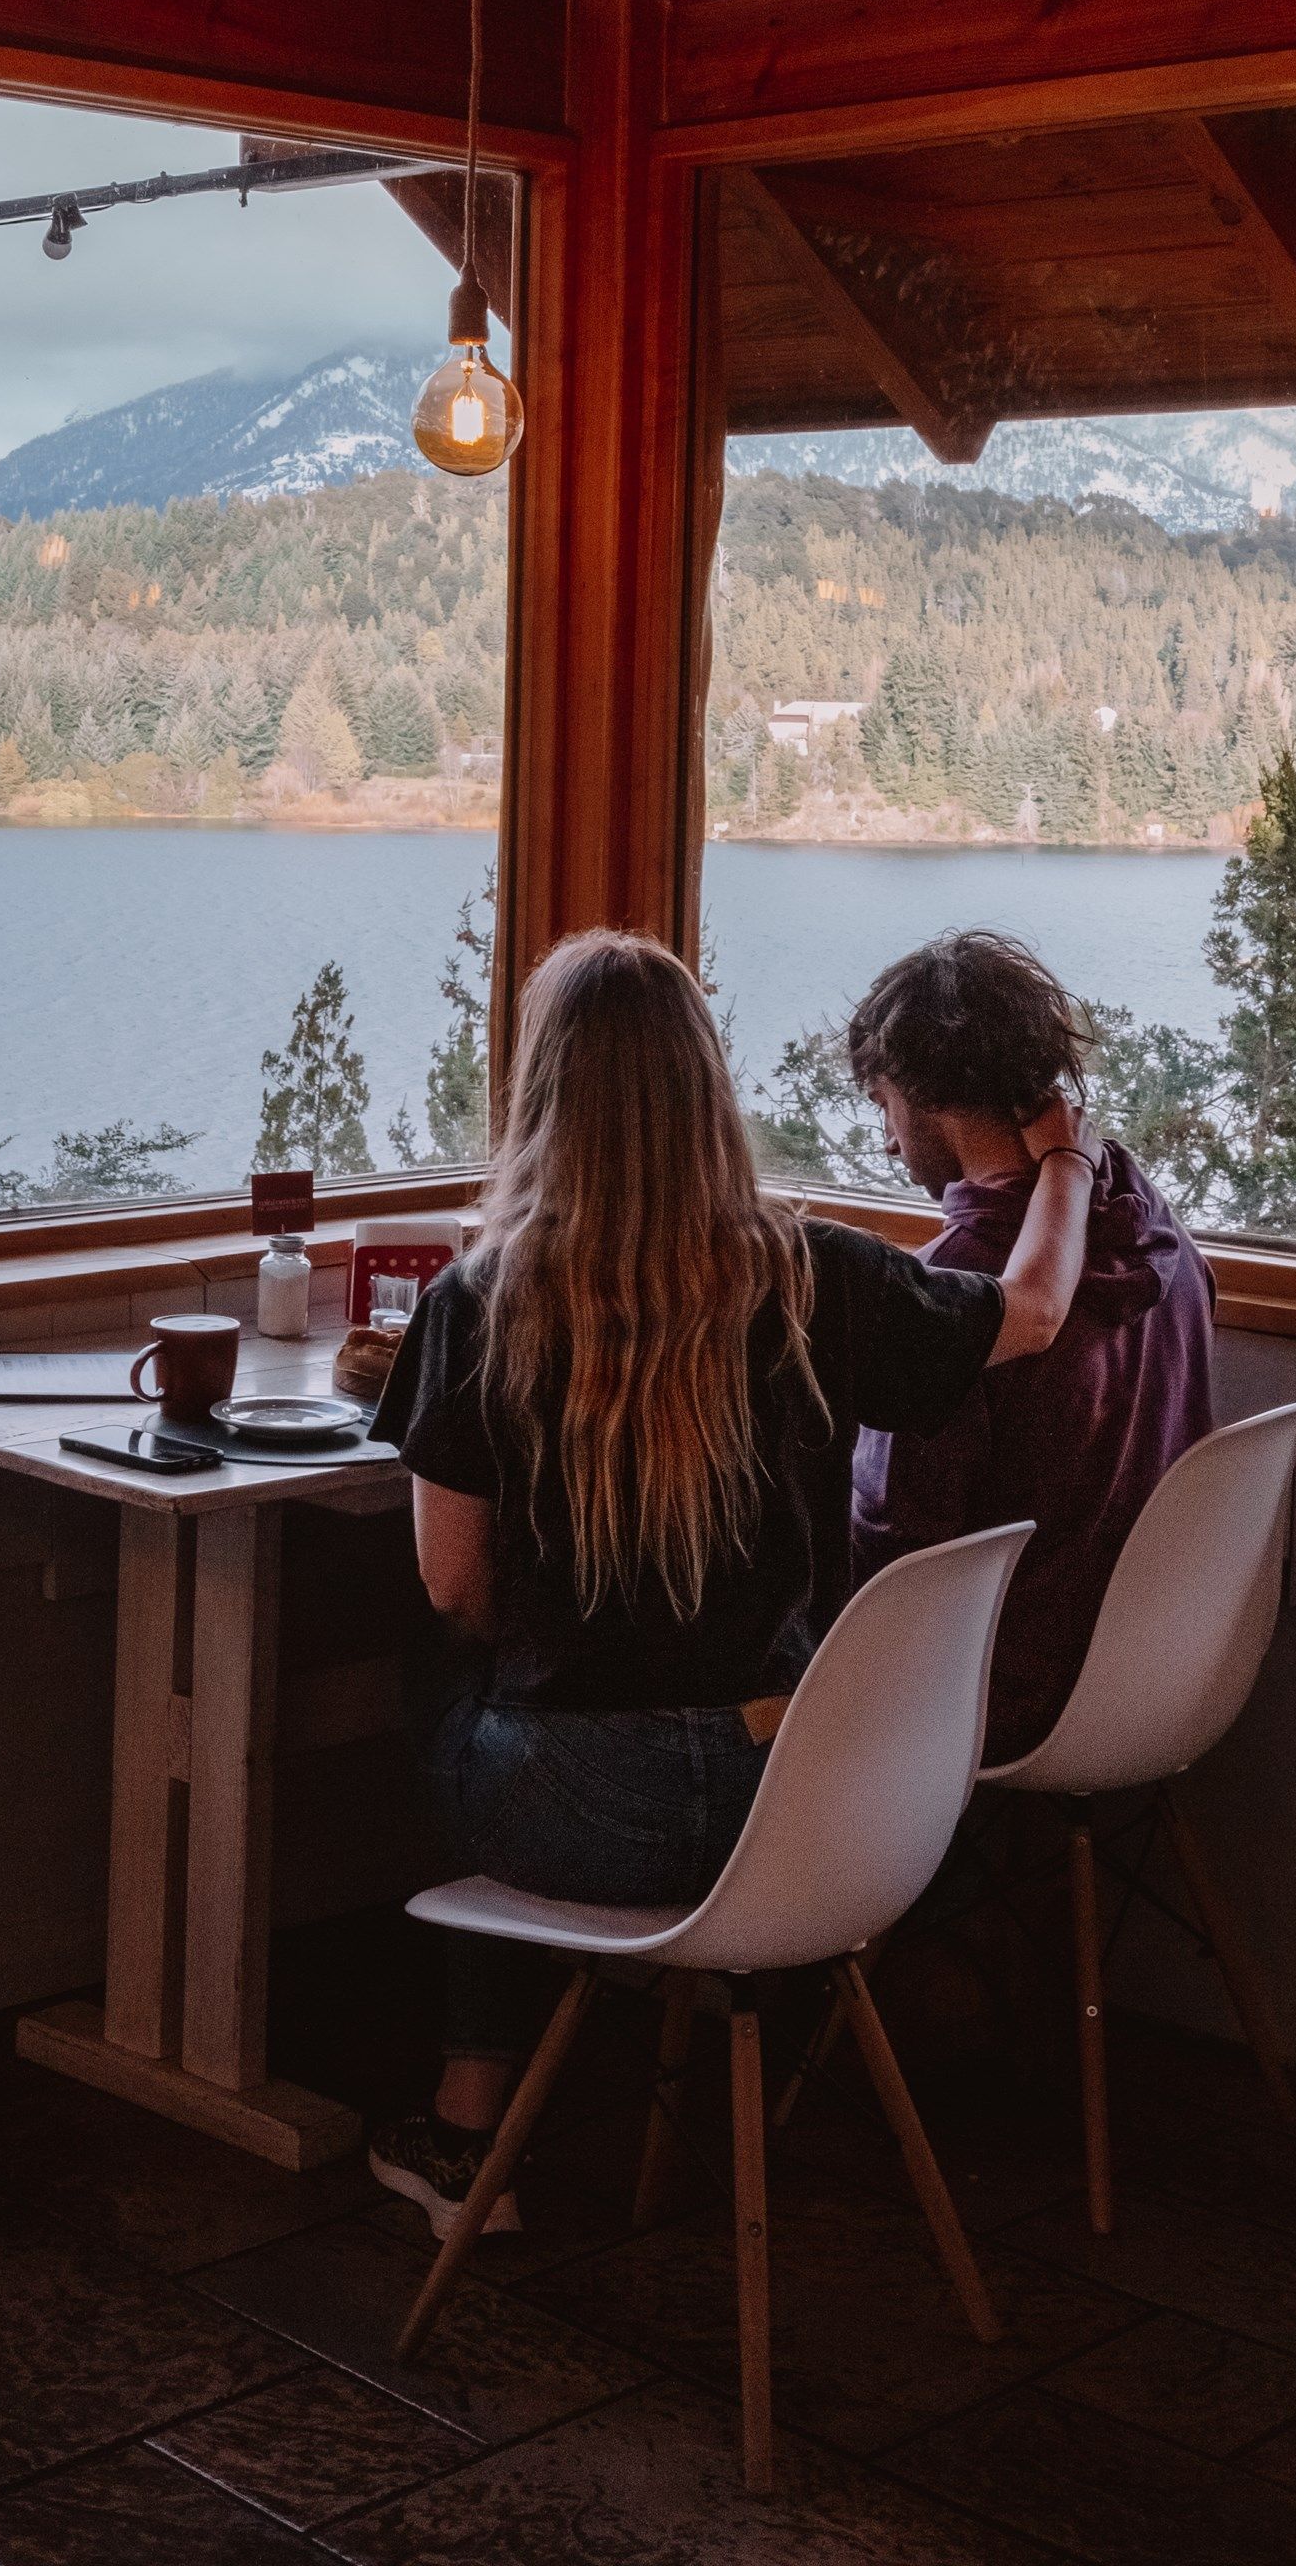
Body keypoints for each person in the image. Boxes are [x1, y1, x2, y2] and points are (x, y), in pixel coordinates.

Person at [365, 927, 1101, 2239]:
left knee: (442, 1669)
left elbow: (454, 1590)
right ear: (709, 1088)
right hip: (809, 1806)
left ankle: (469, 2121)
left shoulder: (482, 1303)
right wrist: (1067, 1162)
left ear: (543, 1094)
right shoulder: (816, 1274)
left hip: (590, 1817)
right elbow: (1034, 1310)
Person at [848, 930, 1215, 1771]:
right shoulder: (1159, 1232)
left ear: (913, 1089)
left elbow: (893, 1560)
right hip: (1162, 1663)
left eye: (882, 1107)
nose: (889, 1143)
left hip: (997, 1687)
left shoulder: (956, 1295)